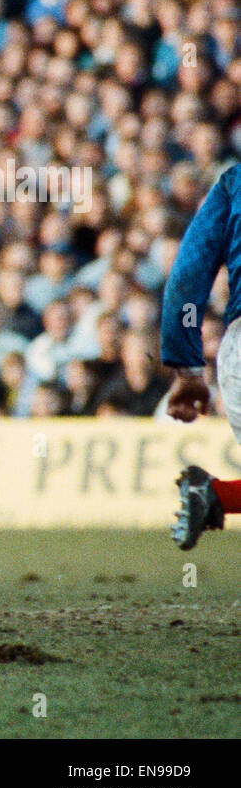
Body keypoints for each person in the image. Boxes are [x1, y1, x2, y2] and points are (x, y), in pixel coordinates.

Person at [161, 165, 241, 549]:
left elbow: (188, 275)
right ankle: (211, 495)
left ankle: (211, 496)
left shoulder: (233, 183)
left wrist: (188, 366)